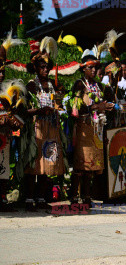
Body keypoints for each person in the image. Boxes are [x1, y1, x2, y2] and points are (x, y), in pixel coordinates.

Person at [23, 39, 66, 211]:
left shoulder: (53, 86)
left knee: (47, 165)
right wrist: (39, 111)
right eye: (42, 67)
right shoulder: (31, 85)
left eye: (47, 67)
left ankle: (41, 197)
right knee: (33, 164)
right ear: (35, 68)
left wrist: (59, 103)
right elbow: (24, 111)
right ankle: (28, 199)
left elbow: (59, 107)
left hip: (51, 129)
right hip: (36, 130)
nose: (46, 70)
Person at [69, 49, 115, 205]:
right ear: (83, 68)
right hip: (83, 127)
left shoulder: (99, 86)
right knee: (81, 164)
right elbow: (75, 109)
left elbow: (111, 97)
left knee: (93, 165)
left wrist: (107, 107)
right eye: (91, 68)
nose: (94, 70)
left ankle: (87, 196)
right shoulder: (79, 84)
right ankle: (74, 196)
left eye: (96, 67)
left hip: (97, 129)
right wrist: (96, 107)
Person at [0, 34, 25, 212]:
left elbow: (13, 114)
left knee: (3, 168)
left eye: (3, 71)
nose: (1, 74)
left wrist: (14, 120)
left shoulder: (8, 91)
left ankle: (1, 199)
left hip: (4, 137)